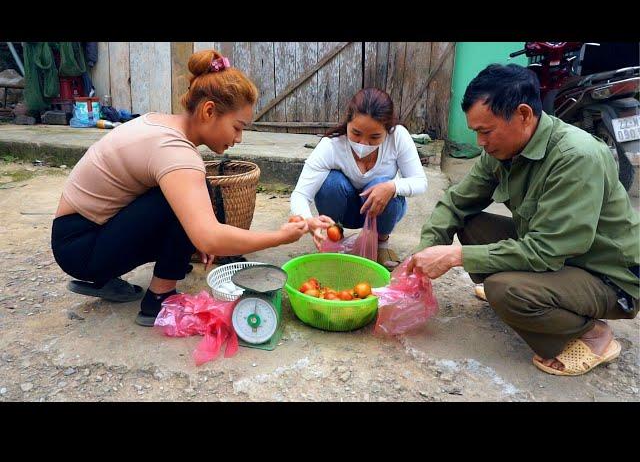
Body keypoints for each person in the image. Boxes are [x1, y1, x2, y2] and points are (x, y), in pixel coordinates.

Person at [408, 63, 639, 376]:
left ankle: (592, 334)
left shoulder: (575, 156)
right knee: (469, 223)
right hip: (560, 257)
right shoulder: (501, 150)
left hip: (606, 275)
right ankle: (533, 295)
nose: (480, 143)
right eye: (477, 132)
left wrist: (454, 255)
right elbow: (456, 202)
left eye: (485, 131)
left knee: (505, 291)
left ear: (524, 114)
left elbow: (546, 249)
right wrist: (426, 251)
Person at [51, 50, 308, 327]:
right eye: (237, 127)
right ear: (209, 111)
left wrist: (196, 234)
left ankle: (107, 278)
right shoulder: (176, 152)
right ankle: (160, 299)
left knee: (194, 197)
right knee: (188, 202)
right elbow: (210, 238)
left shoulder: (163, 125)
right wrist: (279, 237)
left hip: (79, 236)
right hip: (81, 248)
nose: (239, 138)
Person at [290, 87, 427, 269]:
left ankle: (381, 242)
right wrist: (308, 221)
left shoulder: (398, 137)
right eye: (356, 133)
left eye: (375, 137)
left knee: (383, 185)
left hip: (380, 213)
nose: (363, 144)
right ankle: (335, 237)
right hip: (344, 211)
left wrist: (392, 187)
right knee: (331, 183)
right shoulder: (331, 146)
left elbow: (420, 182)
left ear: (388, 130)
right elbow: (300, 194)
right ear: (347, 123)